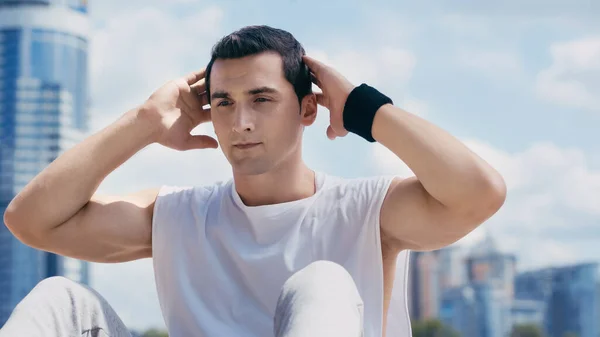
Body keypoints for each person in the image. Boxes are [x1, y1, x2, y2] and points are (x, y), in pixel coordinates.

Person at [1, 25, 506, 337]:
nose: (240, 122)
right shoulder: (177, 217)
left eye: (262, 100)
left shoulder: (366, 210)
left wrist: (361, 107)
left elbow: (480, 193)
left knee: (323, 283)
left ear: (308, 108)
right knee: (60, 301)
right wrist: (143, 123)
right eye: (223, 103)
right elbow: (31, 222)